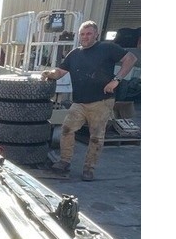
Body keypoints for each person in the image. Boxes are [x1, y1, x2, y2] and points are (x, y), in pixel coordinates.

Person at [42, 21, 137, 181]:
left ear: (96, 35)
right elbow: (60, 71)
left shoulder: (107, 48)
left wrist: (117, 80)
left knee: (96, 137)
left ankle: (89, 169)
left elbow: (131, 58)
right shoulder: (75, 54)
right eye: (82, 34)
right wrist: (49, 73)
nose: (85, 37)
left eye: (89, 34)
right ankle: (64, 161)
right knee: (67, 129)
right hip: (79, 102)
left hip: (101, 102)